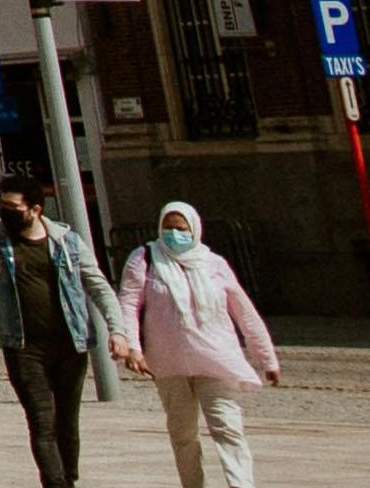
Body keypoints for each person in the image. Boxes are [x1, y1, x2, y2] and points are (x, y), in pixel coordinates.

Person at [115, 200, 277, 488]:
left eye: (180, 228)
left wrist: (266, 358)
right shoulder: (145, 258)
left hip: (215, 360)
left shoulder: (214, 264)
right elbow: (128, 303)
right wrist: (133, 347)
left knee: (228, 429)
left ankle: (241, 485)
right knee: (183, 434)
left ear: (194, 229)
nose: (174, 234)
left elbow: (244, 312)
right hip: (168, 363)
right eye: (168, 227)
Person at [0, 177, 106, 488]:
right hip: (23, 346)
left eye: (13, 207)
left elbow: (97, 285)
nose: (5, 212)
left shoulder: (65, 241)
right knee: (42, 421)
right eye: (1, 206)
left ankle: (68, 478)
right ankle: (56, 484)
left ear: (35, 209)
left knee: (67, 423)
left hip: (70, 344)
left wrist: (119, 331)